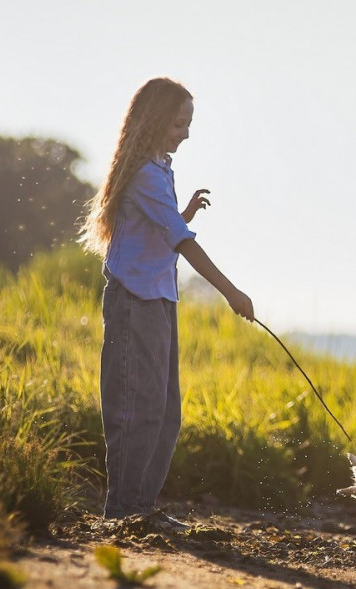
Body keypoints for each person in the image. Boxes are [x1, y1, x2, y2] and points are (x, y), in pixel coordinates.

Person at [79, 77, 254, 525]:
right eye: (179, 123)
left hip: (159, 299)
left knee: (165, 411)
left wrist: (186, 212)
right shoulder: (144, 176)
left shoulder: (160, 169)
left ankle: (140, 507)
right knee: (135, 407)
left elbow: (161, 228)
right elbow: (181, 243)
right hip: (135, 301)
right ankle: (124, 510)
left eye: (188, 123)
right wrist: (231, 292)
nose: (186, 132)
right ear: (156, 120)